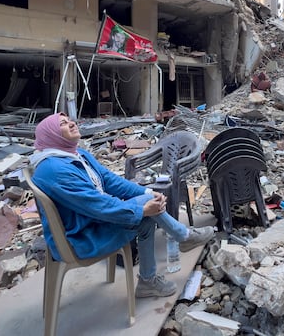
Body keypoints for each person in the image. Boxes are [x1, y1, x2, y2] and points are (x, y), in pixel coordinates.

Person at [29, 113, 214, 298]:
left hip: (92, 223)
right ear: (51, 134)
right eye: (63, 123)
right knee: (145, 212)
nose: (71, 124)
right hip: (81, 237)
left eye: (70, 120)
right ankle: (183, 236)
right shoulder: (54, 170)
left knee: (146, 216)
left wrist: (147, 193)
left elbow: (109, 181)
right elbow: (97, 204)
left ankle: (148, 281)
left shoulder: (74, 154)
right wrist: (142, 208)